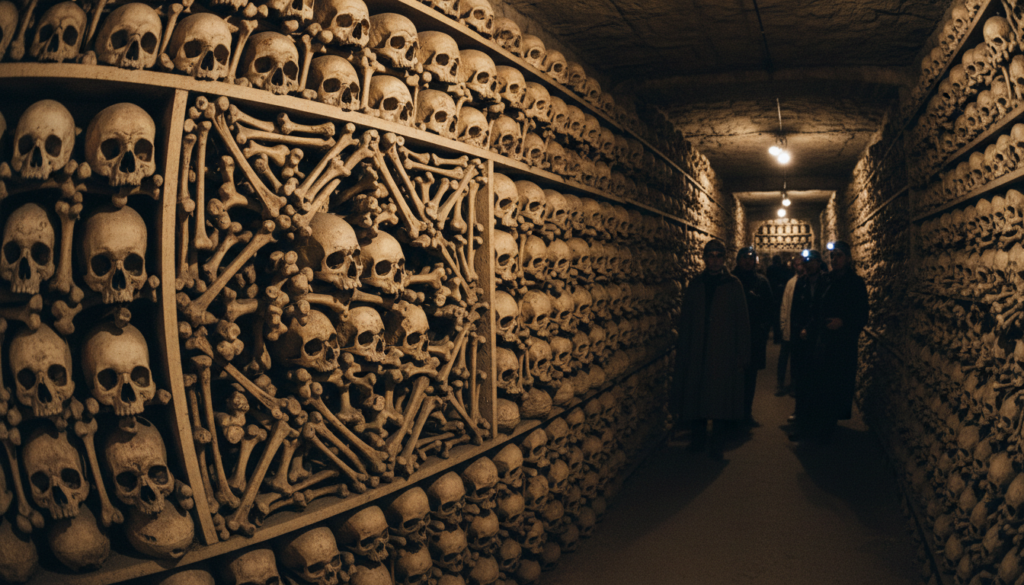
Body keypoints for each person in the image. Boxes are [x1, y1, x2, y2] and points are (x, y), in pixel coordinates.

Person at [674, 239, 750, 459]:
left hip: (722, 351)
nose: (715, 260)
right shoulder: (695, 285)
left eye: (719, 256)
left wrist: (742, 353)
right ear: (705, 258)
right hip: (698, 348)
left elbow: (742, 322)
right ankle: (698, 440)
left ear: (723, 259)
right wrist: (685, 348)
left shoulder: (733, 285)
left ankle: (717, 444)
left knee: (720, 400)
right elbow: (687, 320)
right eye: (711, 256)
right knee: (696, 395)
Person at [798, 241, 870, 443]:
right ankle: (817, 426)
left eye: (839, 255)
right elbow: (815, 308)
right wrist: (811, 327)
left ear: (847, 258)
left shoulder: (856, 284)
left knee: (835, 386)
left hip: (842, 345)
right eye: (832, 256)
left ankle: (827, 428)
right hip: (822, 342)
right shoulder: (825, 281)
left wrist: (843, 322)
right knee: (819, 386)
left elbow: (862, 315)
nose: (835, 259)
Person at [733, 247, 773, 427]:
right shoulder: (730, 282)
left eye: (750, 258)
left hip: (754, 338)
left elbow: (769, 308)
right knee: (733, 378)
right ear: (738, 260)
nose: (747, 261)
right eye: (744, 258)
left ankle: (746, 413)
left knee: (750, 378)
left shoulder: (762, 283)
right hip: (733, 339)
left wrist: (763, 329)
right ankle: (731, 414)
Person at [788, 249, 825, 433]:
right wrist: (797, 331)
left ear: (819, 263)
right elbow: (795, 311)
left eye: (813, 261)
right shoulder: (800, 284)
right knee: (802, 381)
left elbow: (823, 311)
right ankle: (802, 419)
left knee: (817, 382)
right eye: (807, 262)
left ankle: (816, 422)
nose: (809, 265)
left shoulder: (827, 283)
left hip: (819, 340)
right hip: (802, 341)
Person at [776, 258, 805, 396]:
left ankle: (794, 384)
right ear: (795, 266)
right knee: (783, 357)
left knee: (796, 358)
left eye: (802, 264)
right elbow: (784, 305)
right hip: (789, 327)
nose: (801, 266)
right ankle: (780, 383)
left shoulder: (805, 282)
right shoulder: (791, 283)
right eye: (799, 264)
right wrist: (783, 325)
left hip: (798, 328)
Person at [766, 255, 793, 343]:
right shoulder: (784, 270)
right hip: (780, 293)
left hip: (773, 294)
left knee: (775, 316)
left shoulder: (770, 269)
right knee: (781, 314)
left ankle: (776, 336)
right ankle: (780, 335)